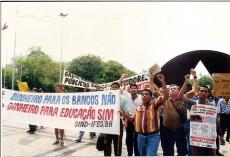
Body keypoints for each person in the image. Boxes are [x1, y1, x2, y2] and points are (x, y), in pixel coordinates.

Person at [122, 74, 168, 156]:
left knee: (150, 154)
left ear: (151, 97)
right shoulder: (139, 107)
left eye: (147, 94)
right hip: (140, 137)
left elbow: (165, 97)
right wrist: (125, 115)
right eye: (143, 94)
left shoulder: (155, 104)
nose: (144, 96)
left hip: (153, 136)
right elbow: (132, 120)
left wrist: (163, 82)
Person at [103, 82, 133, 156]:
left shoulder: (123, 98)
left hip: (118, 123)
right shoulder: (105, 97)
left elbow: (127, 111)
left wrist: (125, 121)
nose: (114, 88)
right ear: (110, 88)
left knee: (118, 142)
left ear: (119, 88)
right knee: (107, 142)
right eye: (113, 87)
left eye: (116, 87)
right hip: (107, 122)